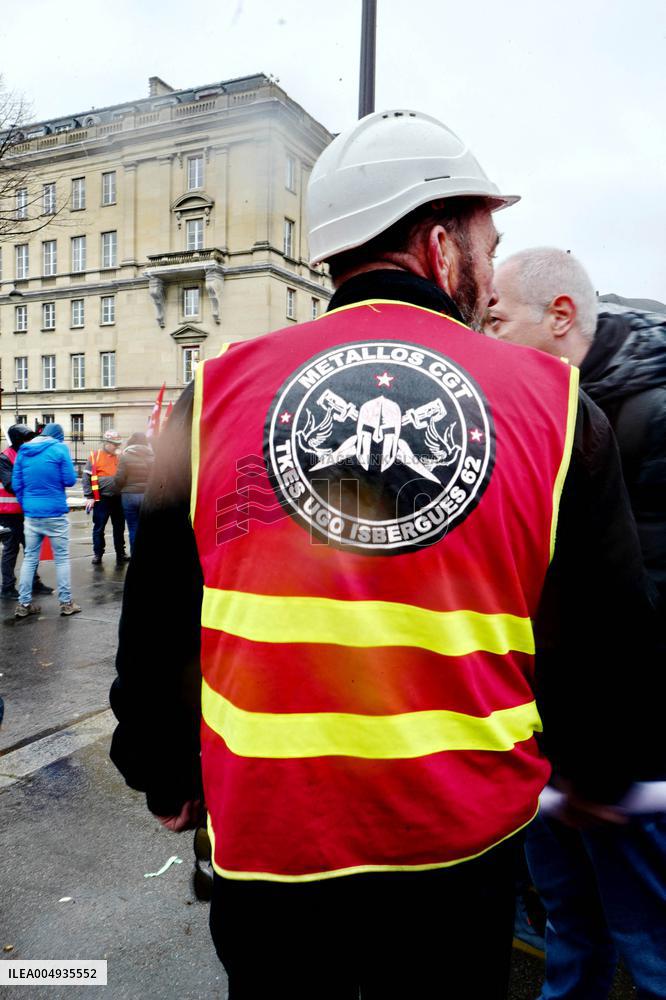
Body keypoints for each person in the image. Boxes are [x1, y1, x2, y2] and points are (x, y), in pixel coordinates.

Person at [110, 112, 659, 999]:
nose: (490, 275)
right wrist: (597, 773)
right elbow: (603, 640)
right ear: (441, 246)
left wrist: (161, 768)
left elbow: (162, 614)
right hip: (459, 841)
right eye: (488, 246)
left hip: (271, 836)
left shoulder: (214, 395)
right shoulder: (558, 408)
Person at [485, 247, 666, 999]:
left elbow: (637, 605)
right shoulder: (531, 416)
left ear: (560, 315)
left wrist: (610, 757)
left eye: (496, 319)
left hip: (630, 752)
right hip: (550, 740)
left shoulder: (650, 414)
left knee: (648, 940)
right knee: (570, 928)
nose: (483, 338)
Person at [12, 423, 80, 617]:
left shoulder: (24, 450)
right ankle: (66, 603)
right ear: (58, 436)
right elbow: (70, 480)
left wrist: (27, 504)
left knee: (30, 558)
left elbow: (17, 485)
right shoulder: (59, 448)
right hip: (55, 512)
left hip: (32, 514)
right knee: (61, 558)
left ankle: (24, 604)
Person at [1, 424, 53, 601]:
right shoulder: (4, 458)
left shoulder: (27, 454)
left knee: (32, 549)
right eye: (25, 438)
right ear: (17, 440)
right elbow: (10, 485)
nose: (29, 441)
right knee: (11, 549)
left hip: (26, 511)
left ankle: (33, 582)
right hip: (8, 513)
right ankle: (7, 587)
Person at [83, 429, 128, 568]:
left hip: (119, 498)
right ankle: (98, 553)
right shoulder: (95, 456)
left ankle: (121, 552)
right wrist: (89, 496)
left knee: (119, 528)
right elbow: (86, 478)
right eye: (115, 444)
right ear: (106, 443)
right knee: (99, 528)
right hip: (101, 499)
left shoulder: (120, 457)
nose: (117, 446)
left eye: (118, 444)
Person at [112, 433, 154, 553]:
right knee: (146, 528)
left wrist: (121, 487)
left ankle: (135, 557)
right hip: (147, 495)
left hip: (129, 495)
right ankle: (146, 556)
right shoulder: (152, 457)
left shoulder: (124, 457)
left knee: (133, 528)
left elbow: (119, 479)